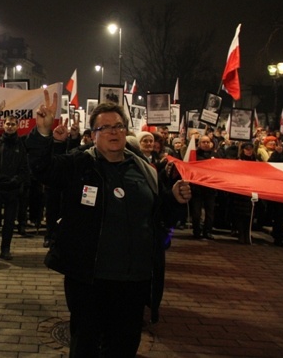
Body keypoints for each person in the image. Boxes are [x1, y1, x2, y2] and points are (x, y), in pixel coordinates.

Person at [24, 91, 190, 358]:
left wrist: (174, 200)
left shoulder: (145, 170)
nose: (114, 132)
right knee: (86, 345)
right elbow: (43, 170)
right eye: (105, 127)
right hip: (90, 279)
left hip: (134, 280)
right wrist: (43, 134)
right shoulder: (80, 163)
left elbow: (159, 218)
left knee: (124, 345)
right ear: (94, 133)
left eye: (119, 126)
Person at [0, 116, 30, 260]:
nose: (10, 126)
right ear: (3, 125)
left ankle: (5, 248)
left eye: (13, 124)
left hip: (13, 189)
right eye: (8, 124)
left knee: (9, 221)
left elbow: (24, 168)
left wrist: (15, 181)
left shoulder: (21, 146)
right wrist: (0, 178)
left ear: (17, 126)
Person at [189, 136, 218, 240]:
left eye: (208, 142)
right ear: (199, 144)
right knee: (196, 212)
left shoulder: (215, 156)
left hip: (210, 188)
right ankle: (196, 231)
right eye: (203, 142)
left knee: (210, 212)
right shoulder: (194, 155)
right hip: (197, 188)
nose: (206, 144)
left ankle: (207, 232)